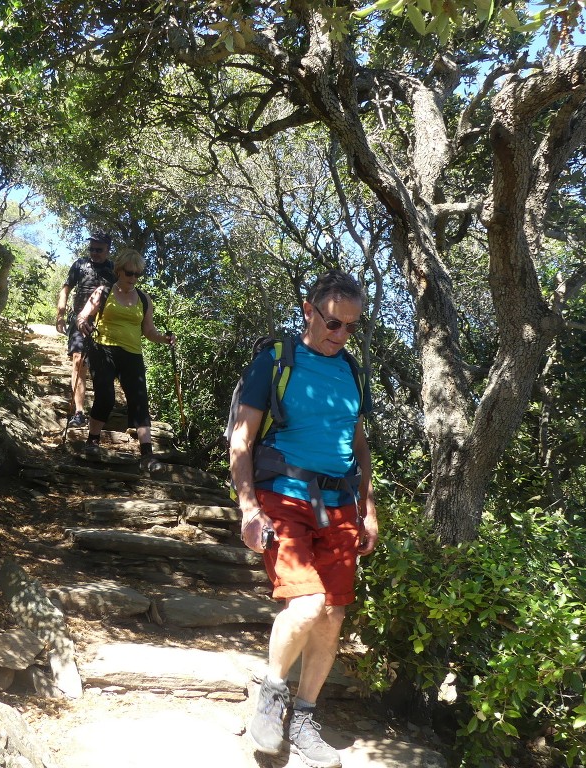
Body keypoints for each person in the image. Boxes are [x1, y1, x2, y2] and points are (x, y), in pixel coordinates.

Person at [229, 269, 379, 768]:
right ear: (309, 310)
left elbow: (358, 445)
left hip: (339, 506)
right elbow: (241, 440)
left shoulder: (352, 371)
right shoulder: (276, 361)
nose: (341, 336)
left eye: (352, 328)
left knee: (333, 615)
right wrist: (249, 507)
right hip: (283, 496)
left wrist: (368, 507)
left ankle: (307, 718)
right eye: (335, 324)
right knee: (309, 603)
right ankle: (271, 697)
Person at [74, 249, 175, 473]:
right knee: (106, 396)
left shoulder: (143, 298)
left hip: (132, 353)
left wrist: (164, 339)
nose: (133, 278)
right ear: (119, 270)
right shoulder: (104, 291)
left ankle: (147, 455)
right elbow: (83, 315)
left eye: (138, 274)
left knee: (139, 400)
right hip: (103, 349)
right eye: (130, 273)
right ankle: (92, 441)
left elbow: (149, 331)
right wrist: (82, 323)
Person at [55, 232, 117, 429]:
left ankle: (99, 415)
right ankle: (79, 412)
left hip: (104, 323)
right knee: (78, 362)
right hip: (79, 321)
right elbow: (66, 289)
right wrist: (61, 313)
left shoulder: (114, 269)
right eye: (91, 249)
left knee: (100, 368)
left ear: (108, 250)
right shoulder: (80, 265)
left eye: (99, 249)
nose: (94, 253)